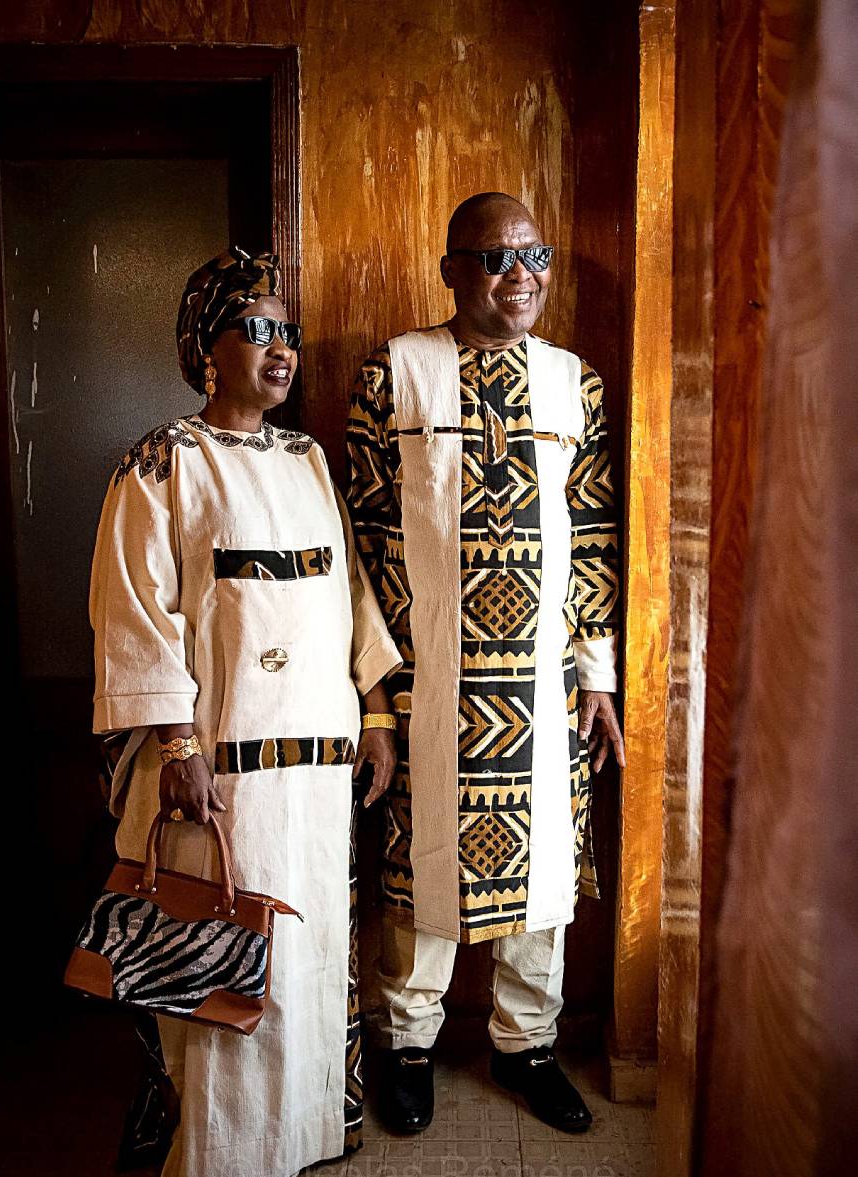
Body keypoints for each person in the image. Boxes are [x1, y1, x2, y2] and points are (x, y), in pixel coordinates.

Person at [90, 246, 401, 1177]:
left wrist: (376, 712)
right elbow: (135, 611)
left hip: (314, 781)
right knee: (219, 960)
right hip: (218, 777)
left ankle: (302, 1135)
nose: (280, 349)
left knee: (302, 969)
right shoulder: (162, 462)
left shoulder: (310, 460)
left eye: (287, 332)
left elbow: (352, 599)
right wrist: (177, 742)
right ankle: (217, 1154)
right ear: (207, 348)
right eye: (255, 329)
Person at [346, 193, 625, 1134]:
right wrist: (377, 698)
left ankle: (526, 1046)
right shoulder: (394, 372)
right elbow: (367, 539)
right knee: (419, 872)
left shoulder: (573, 383)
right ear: (451, 269)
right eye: (497, 259)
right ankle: (409, 1044)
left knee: (542, 866)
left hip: (539, 689)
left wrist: (596, 673)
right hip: (431, 683)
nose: (522, 277)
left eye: (535, 256)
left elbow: (591, 531)